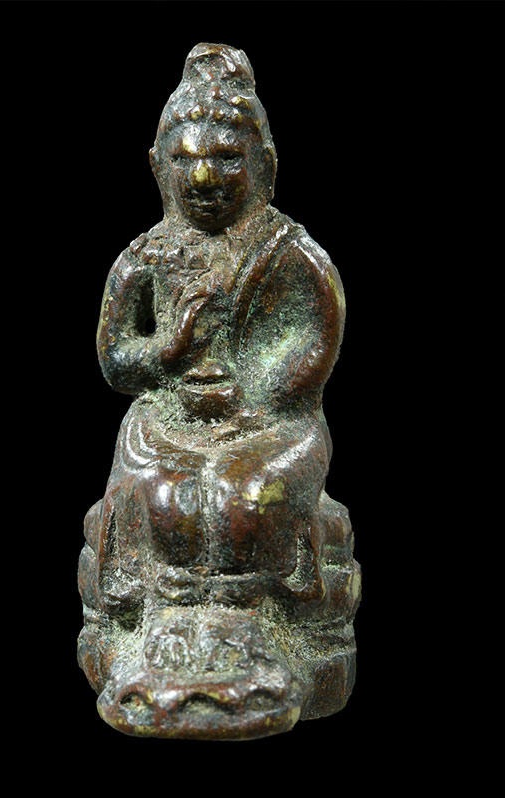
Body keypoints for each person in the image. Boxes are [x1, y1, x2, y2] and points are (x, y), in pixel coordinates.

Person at [78, 43, 360, 740]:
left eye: (228, 158)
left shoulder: (286, 249)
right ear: (158, 165)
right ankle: (164, 632)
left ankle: (249, 631)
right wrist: (169, 351)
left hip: (270, 423)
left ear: (264, 164)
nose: (204, 177)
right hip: (169, 420)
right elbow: (116, 361)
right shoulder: (145, 257)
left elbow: (318, 335)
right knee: (160, 490)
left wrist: (257, 395)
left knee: (248, 492)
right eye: (187, 159)